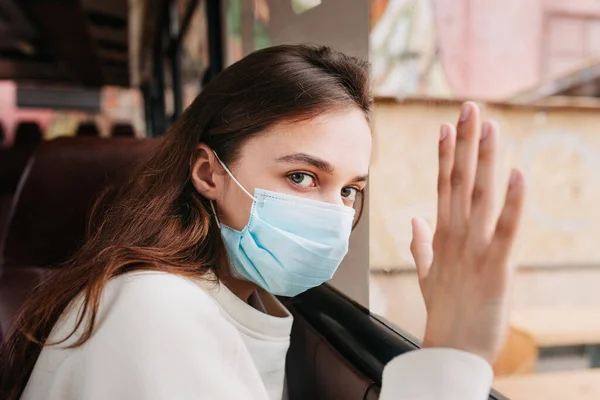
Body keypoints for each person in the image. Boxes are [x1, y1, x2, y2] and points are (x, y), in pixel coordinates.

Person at [0, 45, 525, 400]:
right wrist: (452, 361)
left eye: (348, 190)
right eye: (300, 177)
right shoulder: (154, 309)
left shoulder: (227, 298)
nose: (333, 212)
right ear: (209, 172)